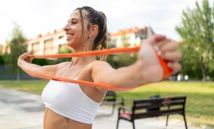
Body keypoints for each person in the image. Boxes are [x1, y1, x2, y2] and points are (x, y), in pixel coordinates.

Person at [17, 6, 181, 129]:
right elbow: (35, 70)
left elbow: (115, 79)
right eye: (67, 22)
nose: (66, 27)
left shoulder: (95, 68)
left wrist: (141, 71)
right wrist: (21, 61)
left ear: (92, 30)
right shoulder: (62, 67)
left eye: (73, 22)